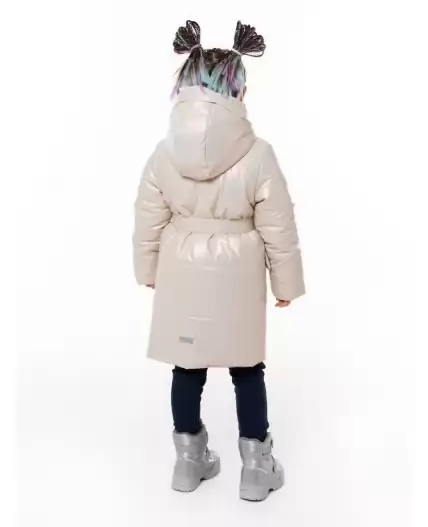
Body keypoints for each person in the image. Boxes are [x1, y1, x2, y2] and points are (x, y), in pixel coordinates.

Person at [133, 20, 305, 502]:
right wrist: (285, 283)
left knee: (186, 367)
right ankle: (257, 468)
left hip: (181, 271)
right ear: (238, 88)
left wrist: (148, 271)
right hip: (238, 275)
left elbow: (147, 216)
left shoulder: (164, 153)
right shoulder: (258, 154)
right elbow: (278, 223)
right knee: (246, 368)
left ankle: (188, 461)